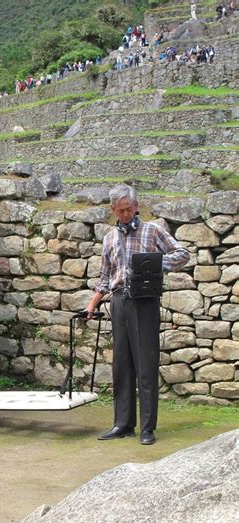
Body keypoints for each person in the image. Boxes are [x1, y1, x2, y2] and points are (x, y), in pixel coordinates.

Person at [85, 185, 190, 445]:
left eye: (129, 209)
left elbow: (182, 254)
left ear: (136, 206)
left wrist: (154, 264)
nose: (125, 214)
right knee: (121, 365)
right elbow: (105, 277)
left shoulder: (152, 230)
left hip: (145, 301)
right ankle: (123, 424)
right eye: (120, 210)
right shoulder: (109, 238)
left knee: (145, 365)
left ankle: (147, 428)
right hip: (119, 301)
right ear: (112, 210)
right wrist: (93, 303)